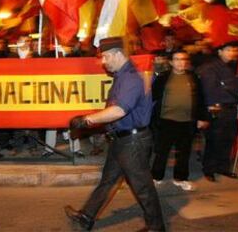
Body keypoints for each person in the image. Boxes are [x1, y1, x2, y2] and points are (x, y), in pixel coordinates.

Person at [64, 37, 165, 231]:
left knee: (142, 187)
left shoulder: (131, 78)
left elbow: (119, 110)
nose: (103, 61)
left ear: (118, 54)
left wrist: (87, 120)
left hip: (133, 142)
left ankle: (156, 227)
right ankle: (87, 216)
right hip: (123, 140)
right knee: (108, 180)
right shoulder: (122, 76)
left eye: (105, 56)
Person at [151, 49, 208, 191]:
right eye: (177, 59)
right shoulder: (163, 78)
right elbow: (152, 97)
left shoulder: (194, 77)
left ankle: (180, 178)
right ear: (171, 62)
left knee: (184, 152)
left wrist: (201, 117)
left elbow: (201, 98)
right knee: (162, 152)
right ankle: (156, 177)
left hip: (187, 122)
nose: (181, 62)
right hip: (166, 121)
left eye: (183, 59)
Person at [197, 40, 238, 182]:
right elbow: (209, 88)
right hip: (218, 108)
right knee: (214, 140)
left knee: (227, 139)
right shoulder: (211, 67)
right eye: (228, 50)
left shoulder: (233, 66)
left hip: (231, 108)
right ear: (220, 52)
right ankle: (209, 169)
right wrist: (211, 106)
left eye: (233, 50)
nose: (232, 53)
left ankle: (222, 167)